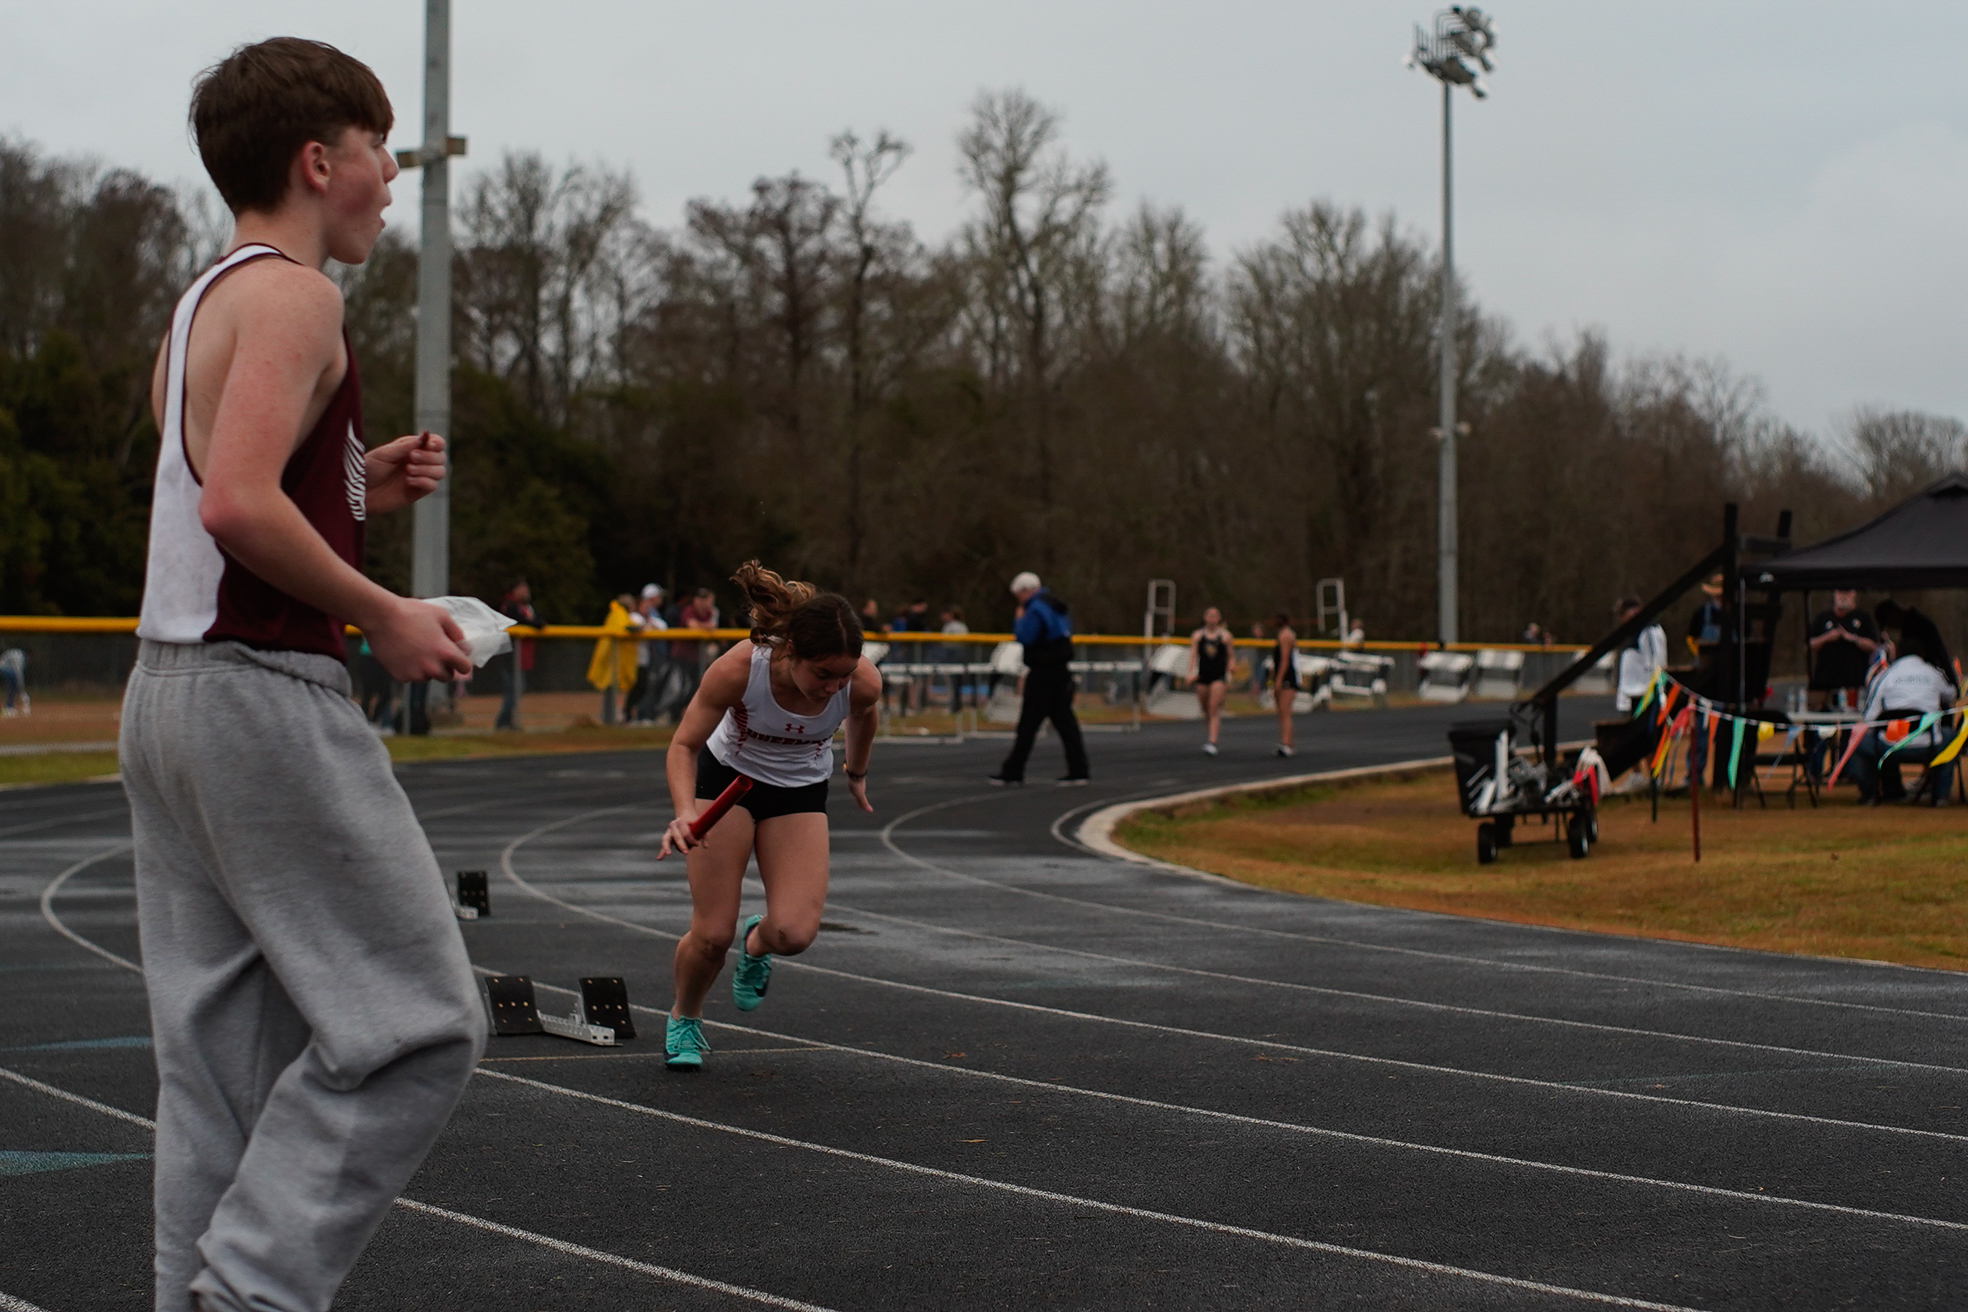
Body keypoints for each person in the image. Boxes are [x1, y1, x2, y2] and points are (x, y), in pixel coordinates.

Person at [118, 39, 483, 1312]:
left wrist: (355, 483)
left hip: (167, 698)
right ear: (318, 161)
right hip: (260, 696)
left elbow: (213, 484)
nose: (393, 174)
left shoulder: (204, 301)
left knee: (219, 1068)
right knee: (420, 1024)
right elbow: (233, 507)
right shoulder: (298, 298)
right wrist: (385, 610)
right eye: (379, 148)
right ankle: (254, 1291)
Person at [656, 562, 880, 1069]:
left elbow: (865, 714)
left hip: (798, 790)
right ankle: (685, 1017)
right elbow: (684, 744)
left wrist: (857, 770)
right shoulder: (741, 668)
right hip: (727, 782)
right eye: (822, 674)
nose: (832, 688)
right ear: (790, 652)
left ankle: (757, 943)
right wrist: (684, 811)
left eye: (842, 675)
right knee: (713, 933)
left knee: (793, 935)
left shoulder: (860, 682)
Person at [1848, 615, 1962, 806]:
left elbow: (1869, 718)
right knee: (1952, 737)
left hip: (1888, 747)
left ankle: (1870, 794)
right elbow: (1952, 695)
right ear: (1923, 653)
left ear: (1899, 652)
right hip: (1929, 745)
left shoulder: (1886, 676)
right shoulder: (1933, 674)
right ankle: (1941, 796)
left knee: (1858, 742)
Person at [989, 571, 1090, 785]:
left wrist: (1019, 620)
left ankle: (1013, 771)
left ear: (1025, 591)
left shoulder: (1034, 608)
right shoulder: (1056, 605)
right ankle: (1079, 769)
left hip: (1043, 670)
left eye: (1018, 595)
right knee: (1065, 723)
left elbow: (1026, 637)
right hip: (1060, 669)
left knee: (1029, 722)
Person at [1807, 590, 1880, 712]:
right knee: (1820, 719)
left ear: (1854, 594)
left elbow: (1873, 646)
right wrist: (1827, 637)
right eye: (1840, 592)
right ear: (1834, 594)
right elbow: (1809, 645)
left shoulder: (1863, 617)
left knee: (1851, 718)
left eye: (1847, 593)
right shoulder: (1822, 618)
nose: (1843, 596)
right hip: (1824, 683)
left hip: (1854, 683)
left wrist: (1852, 638)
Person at [1188, 606, 1233, 755]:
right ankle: (1210, 736)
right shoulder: (1198, 636)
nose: (1212, 618)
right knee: (1205, 708)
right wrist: (1191, 673)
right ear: (1205, 617)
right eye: (1209, 615)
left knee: (1214, 707)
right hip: (1203, 676)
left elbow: (1231, 656)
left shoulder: (1225, 636)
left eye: (1215, 616)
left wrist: (1231, 666)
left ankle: (1213, 741)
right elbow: (1194, 656)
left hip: (1218, 676)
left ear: (1219, 618)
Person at [1612, 594, 1667, 715]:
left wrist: (1658, 694)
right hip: (1629, 696)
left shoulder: (1652, 631)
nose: (1622, 619)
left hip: (1645, 697)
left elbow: (1660, 663)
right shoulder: (1631, 633)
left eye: (1623, 614)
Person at [588, 594, 638, 724]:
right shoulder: (619, 613)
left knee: (612, 689)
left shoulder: (617, 613)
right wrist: (636, 628)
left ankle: (610, 719)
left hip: (612, 657)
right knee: (612, 689)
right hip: (613, 658)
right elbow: (624, 627)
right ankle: (610, 720)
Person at [496, 579, 538, 730]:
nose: (526, 592)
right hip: (510, 655)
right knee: (512, 689)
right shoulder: (510, 605)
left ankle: (509, 721)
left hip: (521, 655)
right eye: (523, 588)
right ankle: (502, 723)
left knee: (518, 687)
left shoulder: (526, 607)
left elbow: (537, 620)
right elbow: (518, 621)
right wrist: (534, 623)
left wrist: (535, 622)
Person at [626, 583, 670, 723]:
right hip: (632, 659)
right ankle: (628, 714)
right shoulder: (634, 617)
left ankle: (633, 714)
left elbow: (663, 627)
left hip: (645, 659)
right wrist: (648, 623)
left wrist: (649, 621)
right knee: (635, 687)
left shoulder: (652, 616)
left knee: (644, 687)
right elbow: (638, 627)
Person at [1271, 611, 1299, 758]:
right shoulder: (1283, 634)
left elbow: (1285, 660)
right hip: (1283, 676)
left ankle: (1287, 744)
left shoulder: (1285, 635)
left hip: (1288, 677)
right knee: (1282, 713)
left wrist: (1279, 680)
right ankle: (1287, 742)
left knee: (1285, 711)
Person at [1, 647, 28, 715]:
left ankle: (9, 707)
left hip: (4, 668)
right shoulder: (20, 657)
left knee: (12, 683)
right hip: (2, 668)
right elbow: (18, 673)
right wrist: (22, 690)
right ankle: (9, 707)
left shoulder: (16, 652)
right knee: (13, 677)